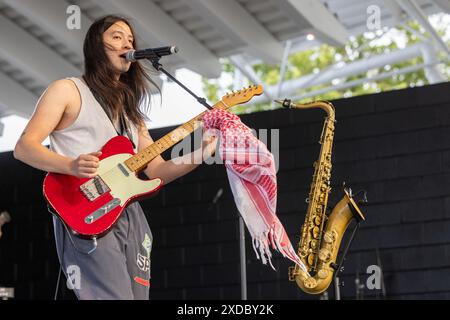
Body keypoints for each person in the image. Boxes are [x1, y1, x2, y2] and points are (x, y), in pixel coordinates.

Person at [13, 15, 217, 300]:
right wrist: (70, 165)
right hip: (87, 206)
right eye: (117, 36)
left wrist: (202, 152)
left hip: (128, 211)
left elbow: (157, 169)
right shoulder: (67, 90)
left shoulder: (131, 112)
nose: (127, 43)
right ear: (97, 45)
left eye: (131, 39)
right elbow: (24, 147)